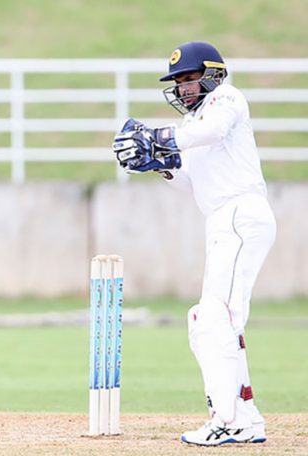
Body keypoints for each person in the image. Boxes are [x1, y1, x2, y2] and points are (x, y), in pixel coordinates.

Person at [112, 41, 275, 446]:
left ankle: (227, 419)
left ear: (212, 74)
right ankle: (246, 416)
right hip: (223, 220)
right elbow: (191, 182)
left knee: (216, 317)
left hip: (241, 215)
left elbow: (212, 131)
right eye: (178, 82)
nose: (183, 88)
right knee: (205, 319)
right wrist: (157, 165)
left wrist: (158, 137)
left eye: (188, 78)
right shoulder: (193, 125)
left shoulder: (226, 99)